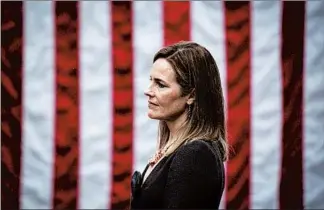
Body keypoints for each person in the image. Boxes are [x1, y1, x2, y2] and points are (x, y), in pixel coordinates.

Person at [130, 41, 228, 209]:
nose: (148, 91)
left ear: (191, 95)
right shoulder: (179, 148)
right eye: (151, 81)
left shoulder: (195, 154)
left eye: (160, 84)